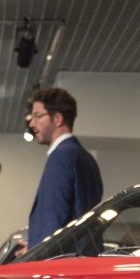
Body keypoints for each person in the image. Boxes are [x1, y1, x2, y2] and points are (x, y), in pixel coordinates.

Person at [24, 87, 103, 249]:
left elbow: (52, 219)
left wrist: (37, 252)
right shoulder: (87, 159)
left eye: (38, 116)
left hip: (58, 268)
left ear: (58, 119)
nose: (32, 123)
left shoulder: (60, 157)